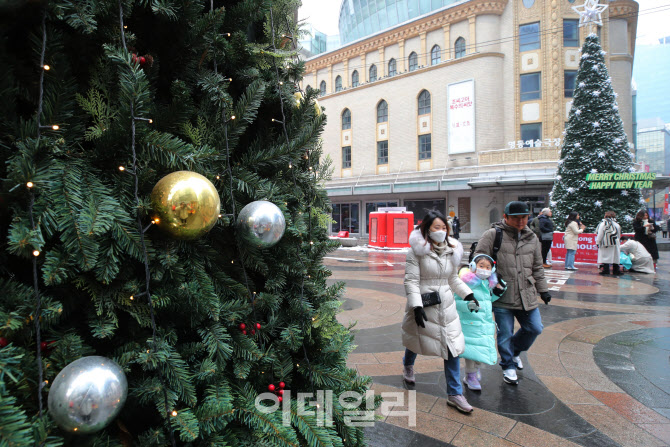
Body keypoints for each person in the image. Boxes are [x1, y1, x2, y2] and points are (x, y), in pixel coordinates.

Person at [401, 210, 478, 413]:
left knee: (451, 347)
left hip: (446, 305)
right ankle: (408, 364)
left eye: (444, 227)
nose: (441, 231)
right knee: (416, 338)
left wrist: (468, 294)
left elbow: (452, 279)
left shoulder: (452, 250)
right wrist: (416, 306)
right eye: (437, 227)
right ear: (427, 229)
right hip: (424, 304)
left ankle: (454, 393)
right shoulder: (415, 252)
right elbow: (411, 281)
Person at [474, 201, 550, 386]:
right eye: (516, 218)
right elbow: (479, 259)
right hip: (501, 293)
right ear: (506, 217)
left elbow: (537, 267)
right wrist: (491, 274)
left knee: (534, 328)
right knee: (505, 333)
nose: (520, 221)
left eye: (524, 217)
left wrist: (543, 289)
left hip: (527, 293)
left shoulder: (532, 237)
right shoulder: (493, 235)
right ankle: (508, 365)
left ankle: (514, 352)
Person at [454, 254, 506, 391]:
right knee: (471, 351)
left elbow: (488, 299)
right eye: (481, 266)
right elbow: (456, 302)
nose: (484, 269)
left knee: (480, 352)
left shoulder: (487, 283)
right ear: (472, 266)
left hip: (484, 323)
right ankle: (470, 375)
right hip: (469, 324)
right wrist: (468, 306)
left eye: (488, 267)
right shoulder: (465, 282)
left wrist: (500, 289)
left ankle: (474, 370)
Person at [596, 211, 622, 276]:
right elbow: (618, 235)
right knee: (615, 257)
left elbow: (600, 234)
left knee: (606, 257)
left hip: (606, 242)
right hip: (615, 242)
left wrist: (598, 242)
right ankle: (616, 270)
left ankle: (606, 270)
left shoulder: (603, 224)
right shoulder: (617, 224)